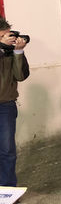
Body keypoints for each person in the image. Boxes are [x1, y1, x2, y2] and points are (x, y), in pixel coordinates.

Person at [0, 17, 29, 187]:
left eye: (8, 35)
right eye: (3, 36)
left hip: (6, 106)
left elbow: (20, 76)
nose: (8, 39)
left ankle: (7, 189)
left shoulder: (10, 53)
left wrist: (18, 52)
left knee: (7, 150)